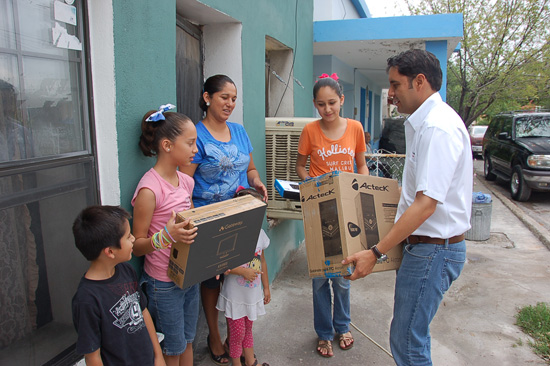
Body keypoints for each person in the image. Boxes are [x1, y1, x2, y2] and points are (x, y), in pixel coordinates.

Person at [343, 49, 473, 366]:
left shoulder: (436, 128)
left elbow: (426, 205)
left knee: (407, 341)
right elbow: (416, 193)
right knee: (409, 336)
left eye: (395, 85)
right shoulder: (426, 124)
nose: (390, 95)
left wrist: (375, 252)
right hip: (426, 250)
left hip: (433, 250)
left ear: (419, 81)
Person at [180, 74, 268, 366]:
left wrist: (256, 183)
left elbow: (251, 168)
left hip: (242, 215)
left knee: (239, 274)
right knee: (212, 278)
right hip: (209, 218)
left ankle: (238, 336)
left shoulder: (240, 131)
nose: (230, 103)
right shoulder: (197, 135)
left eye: (233, 98)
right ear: (207, 98)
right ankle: (214, 335)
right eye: (224, 97)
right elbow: (186, 183)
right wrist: (193, 219)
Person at [295, 73, 369, 358]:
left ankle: (343, 325)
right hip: (318, 210)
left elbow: (361, 165)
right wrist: (312, 185)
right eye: (321, 104)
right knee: (319, 277)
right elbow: (301, 166)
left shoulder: (356, 128)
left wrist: (359, 188)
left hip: (346, 208)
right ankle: (324, 333)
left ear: (342, 101)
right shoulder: (310, 131)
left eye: (332, 103)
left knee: (343, 274)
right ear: (315, 104)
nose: (327, 109)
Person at [132, 105, 200, 366]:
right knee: (172, 348)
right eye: (191, 143)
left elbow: (193, 227)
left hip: (189, 275)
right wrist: (166, 236)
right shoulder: (149, 190)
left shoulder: (186, 182)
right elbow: (136, 246)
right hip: (163, 284)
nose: (196, 149)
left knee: (188, 340)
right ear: (167, 145)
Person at [71, 205, 165, 366]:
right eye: (128, 237)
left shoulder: (125, 270)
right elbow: (93, 356)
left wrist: (158, 356)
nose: (134, 239)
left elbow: (143, 312)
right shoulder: (87, 299)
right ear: (110, 252)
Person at [215, 187, 271, 366]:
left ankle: (249, 361)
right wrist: (243, 271)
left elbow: (262, 261)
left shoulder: (260, 235)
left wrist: (266, 287)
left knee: (248, 331)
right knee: (237, 334)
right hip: (235, 296)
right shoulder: (232, 237)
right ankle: (236, 363)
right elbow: (222, 265)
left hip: (252, 295)